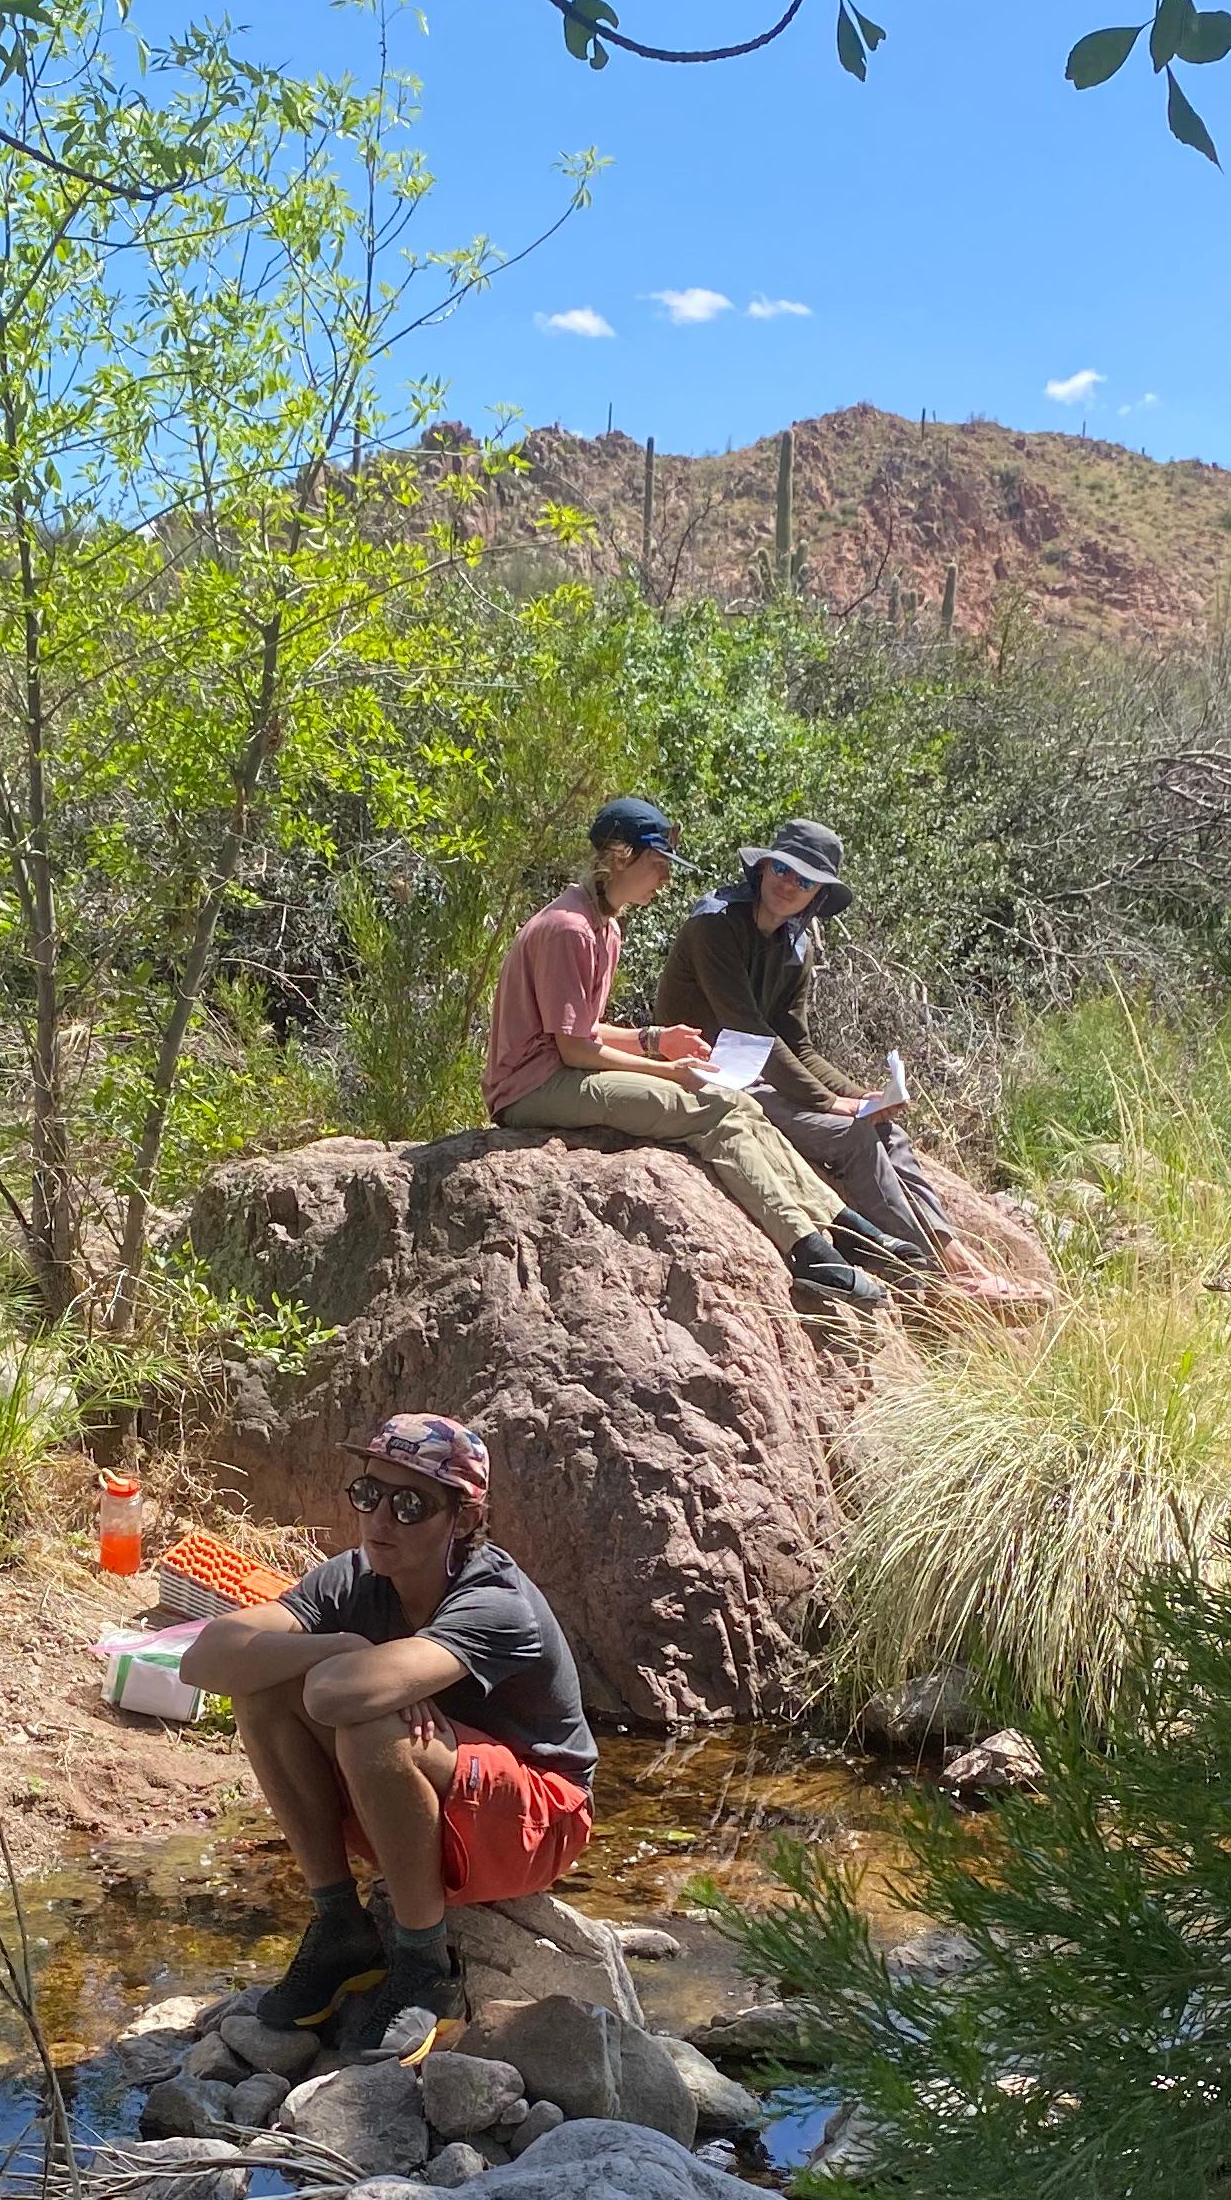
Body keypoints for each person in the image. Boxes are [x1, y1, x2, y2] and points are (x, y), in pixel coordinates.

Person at [179, 1412, 597, 2035]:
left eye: (411, 1504)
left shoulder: (496, 1601)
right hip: (427, 1791)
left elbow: (333, 1696)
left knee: (373, 1725)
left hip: (539, 1820)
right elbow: (205, 1659)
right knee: (262, 1694)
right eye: (370, 1494)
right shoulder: (354, 1577)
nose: (381, 1519)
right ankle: (341, 1928)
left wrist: (348, 1670)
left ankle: (426, 1962)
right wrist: (342, 1643)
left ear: (465, 1519)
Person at [484, 798, 888, 1308]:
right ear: (620, 856)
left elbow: (583, 1028)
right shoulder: (569, 928)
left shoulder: (603, 925)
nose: (665, 880)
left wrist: (655, 1039)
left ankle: (837, 1224)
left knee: (740, 1103)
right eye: (658, 865)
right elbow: (574, 1047)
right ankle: (809, 1253)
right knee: (711, 1113)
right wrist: (668, 1069)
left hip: (564, 1070)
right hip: (533, 1087)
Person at [654, 822, 1007, 1296]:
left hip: (759, 1076)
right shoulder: (715, 926)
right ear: (761, 869)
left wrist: (858, 1095)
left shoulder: (793, 946)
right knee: (852, 1136)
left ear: (817, 896)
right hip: (709, 1078)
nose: (788, 884)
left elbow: (795, 1043)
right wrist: (829, 1103)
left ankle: (955, 1256)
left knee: (886, 1128)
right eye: (782, 869)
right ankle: (927, 1279)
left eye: (804, 880)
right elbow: (749, 1031)